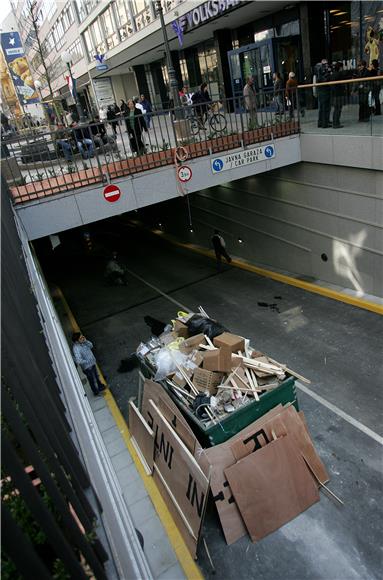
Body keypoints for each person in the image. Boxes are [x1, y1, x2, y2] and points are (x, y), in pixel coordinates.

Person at [315, 59, 332, 128]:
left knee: (322, 108)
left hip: (322, 91)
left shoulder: (319, 71)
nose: (327, 66)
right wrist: (328, 74)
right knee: (325, 108)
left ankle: (321, 122)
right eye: (326, 64)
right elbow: (322, 80)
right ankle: (324, 123)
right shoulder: (321, 71)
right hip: (324, 91)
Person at [331, 62, 345, 129]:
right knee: (338, 109)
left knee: (336, 109)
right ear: (340, 67)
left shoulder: (333, 74)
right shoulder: (340, 74)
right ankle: (336, 123)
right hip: (339, 94)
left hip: (334, 94)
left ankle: (335, 123)